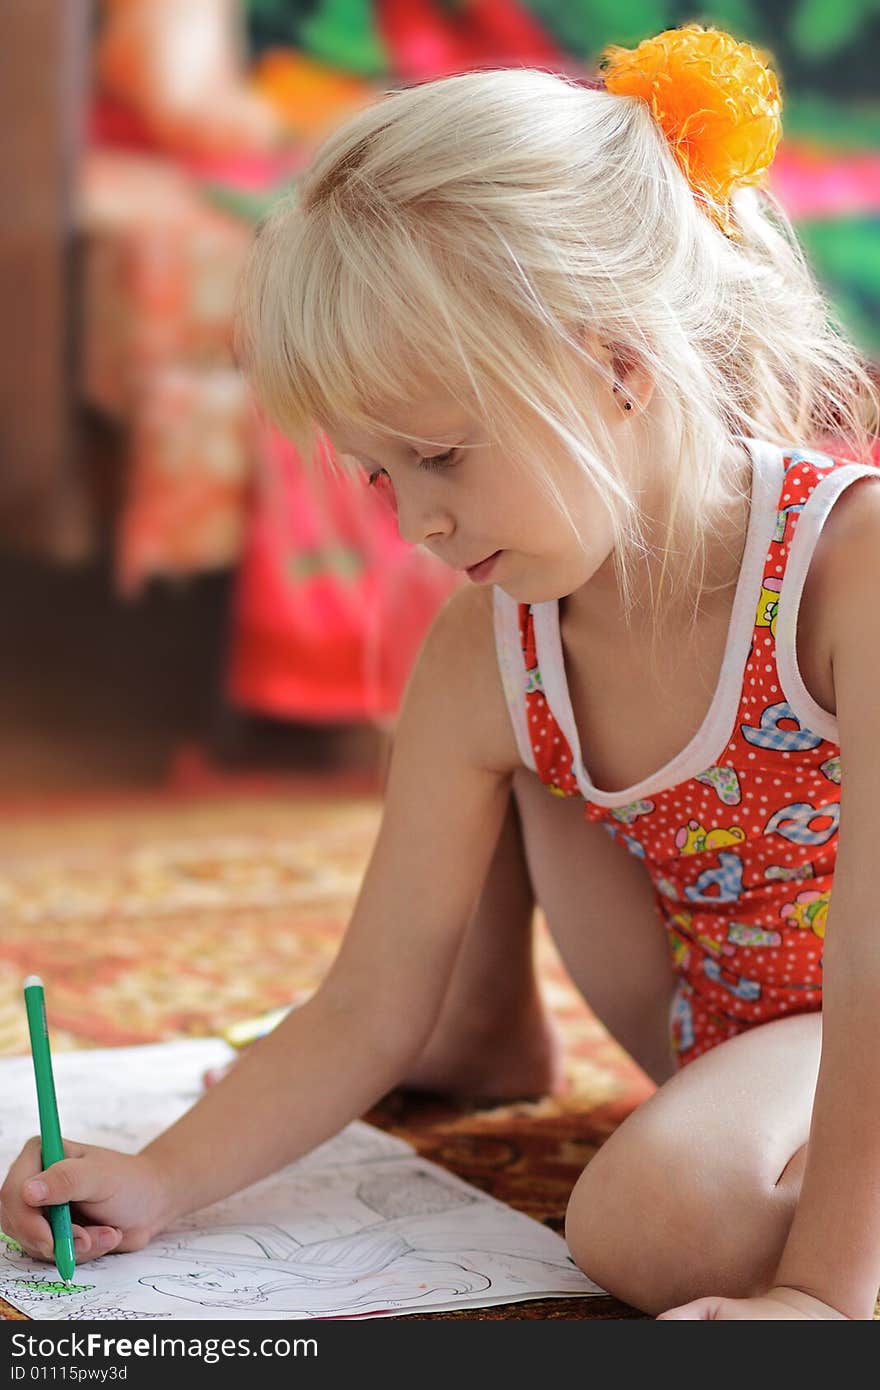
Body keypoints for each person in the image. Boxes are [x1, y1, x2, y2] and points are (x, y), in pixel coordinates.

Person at [3, 24, 879, 1320]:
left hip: (852, 1007)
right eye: (381, 473)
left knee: (652, 1220)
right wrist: (162, 1175)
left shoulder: (844, 574)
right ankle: (520, 1047)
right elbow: (369, 998)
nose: (414, 523)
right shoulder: (491, 644)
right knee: (666, 1186)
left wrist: (820, 1292)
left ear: (619, 371)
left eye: (443, 456)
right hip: (733, 1035)